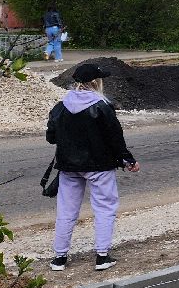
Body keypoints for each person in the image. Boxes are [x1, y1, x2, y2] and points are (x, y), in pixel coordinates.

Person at [47, 62, 138, 271]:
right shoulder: (102, 106)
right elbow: (116, 139)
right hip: (99, 167)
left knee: (66, 211)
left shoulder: (60, 106)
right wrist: (128, 160)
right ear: (96, 82)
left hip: (68, 167)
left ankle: (59, 258)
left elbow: (51, 137)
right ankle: (102, 256)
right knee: (104, 208)